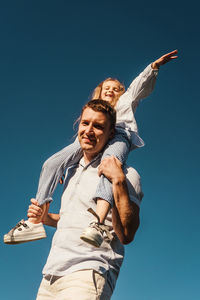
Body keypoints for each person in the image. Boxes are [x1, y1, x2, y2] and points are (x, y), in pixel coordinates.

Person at [3, 50, 178, 246]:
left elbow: (138, 85)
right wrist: (66, 166)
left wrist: (153, 67)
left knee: (108, 165)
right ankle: (35, 221)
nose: (110, 91)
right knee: (52, 163)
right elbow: (78, 149)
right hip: (94, 138)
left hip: (120, 135)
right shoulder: (92, 117)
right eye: (106, 89)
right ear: (100, 93)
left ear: (120, 92)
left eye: (115, 89)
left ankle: (98, 222)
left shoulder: (125, 101)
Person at [28, 99, 143, 300]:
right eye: (85, 123)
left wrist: (118, 181)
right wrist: (44, 218)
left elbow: (126, 234)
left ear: (111, 134)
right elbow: (70, 218)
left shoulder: (127, 174)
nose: (89, 130)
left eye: (98, 126)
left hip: (89, 271)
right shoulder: (71, 171)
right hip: (50, 276)